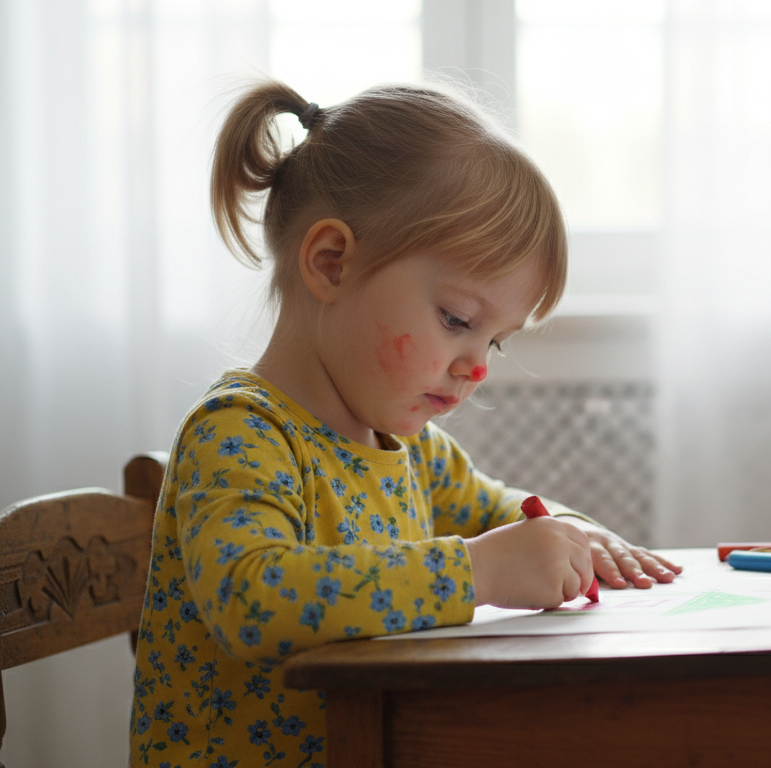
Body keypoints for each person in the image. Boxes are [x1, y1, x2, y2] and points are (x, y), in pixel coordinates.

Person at [129, 79, 681, 767]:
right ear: (331, 263)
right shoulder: (240, 433)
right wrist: (476, 572)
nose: (476, 368)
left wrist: (571, 533)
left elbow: (496, 509)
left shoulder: (410, 451)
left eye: (495, 342)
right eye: (457, 321)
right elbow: (256, 597)